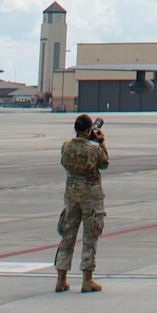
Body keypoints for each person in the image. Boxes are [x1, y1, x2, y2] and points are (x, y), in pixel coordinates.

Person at [54, 114, 109, 293]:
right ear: (88, 130)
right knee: (90, 237)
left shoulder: (66, 147)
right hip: (91, 197)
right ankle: (87, 279)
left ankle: (61, 278)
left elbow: (65, 163)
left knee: (67, 236)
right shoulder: (93, 150)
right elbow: (104, 163)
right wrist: (101, 142)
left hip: (71, 195)